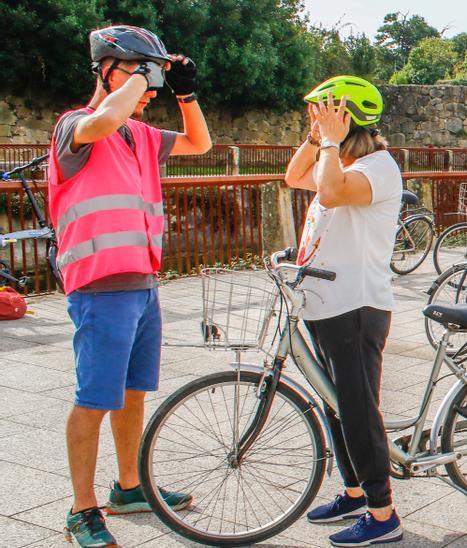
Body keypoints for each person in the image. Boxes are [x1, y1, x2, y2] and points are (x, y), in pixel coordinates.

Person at [49, 25, 211, 547]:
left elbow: (199, 142)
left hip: (142, 283)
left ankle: (129, 486)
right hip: (98, 287)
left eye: (153, 75)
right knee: (94, 398)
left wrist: (185, 95)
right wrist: (140, 81)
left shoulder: (139, 134)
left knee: (133, 393)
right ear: (106, 70)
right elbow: (104, 118)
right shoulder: (75, 125)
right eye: (138, 71)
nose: (148, 86)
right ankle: (82, 509)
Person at [283, 75, 404, 547]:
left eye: (322, 115)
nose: (315, 124)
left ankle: (383, 514)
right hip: (324, 304)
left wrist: (330, 142)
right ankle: (355, 492)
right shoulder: (336, 158)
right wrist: (317, 138)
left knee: (358, 410)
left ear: (347, 120)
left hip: (357, 306)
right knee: (335, 406)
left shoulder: (378, 168)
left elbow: (330, 192)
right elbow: (295, 178)